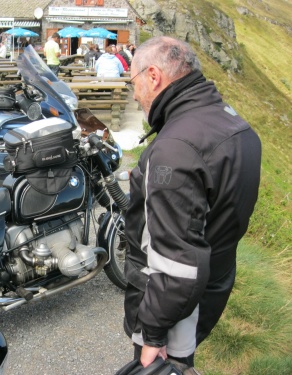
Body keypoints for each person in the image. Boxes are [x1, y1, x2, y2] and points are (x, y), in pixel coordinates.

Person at [120, 36, 261, 372]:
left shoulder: (175, 148)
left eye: (134, 83)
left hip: (174, 312)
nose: (135, 94)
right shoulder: (231, 121)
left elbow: (177, 265)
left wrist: (152, 333)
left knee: (164, 369)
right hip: (212, 284)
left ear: (153, 76)